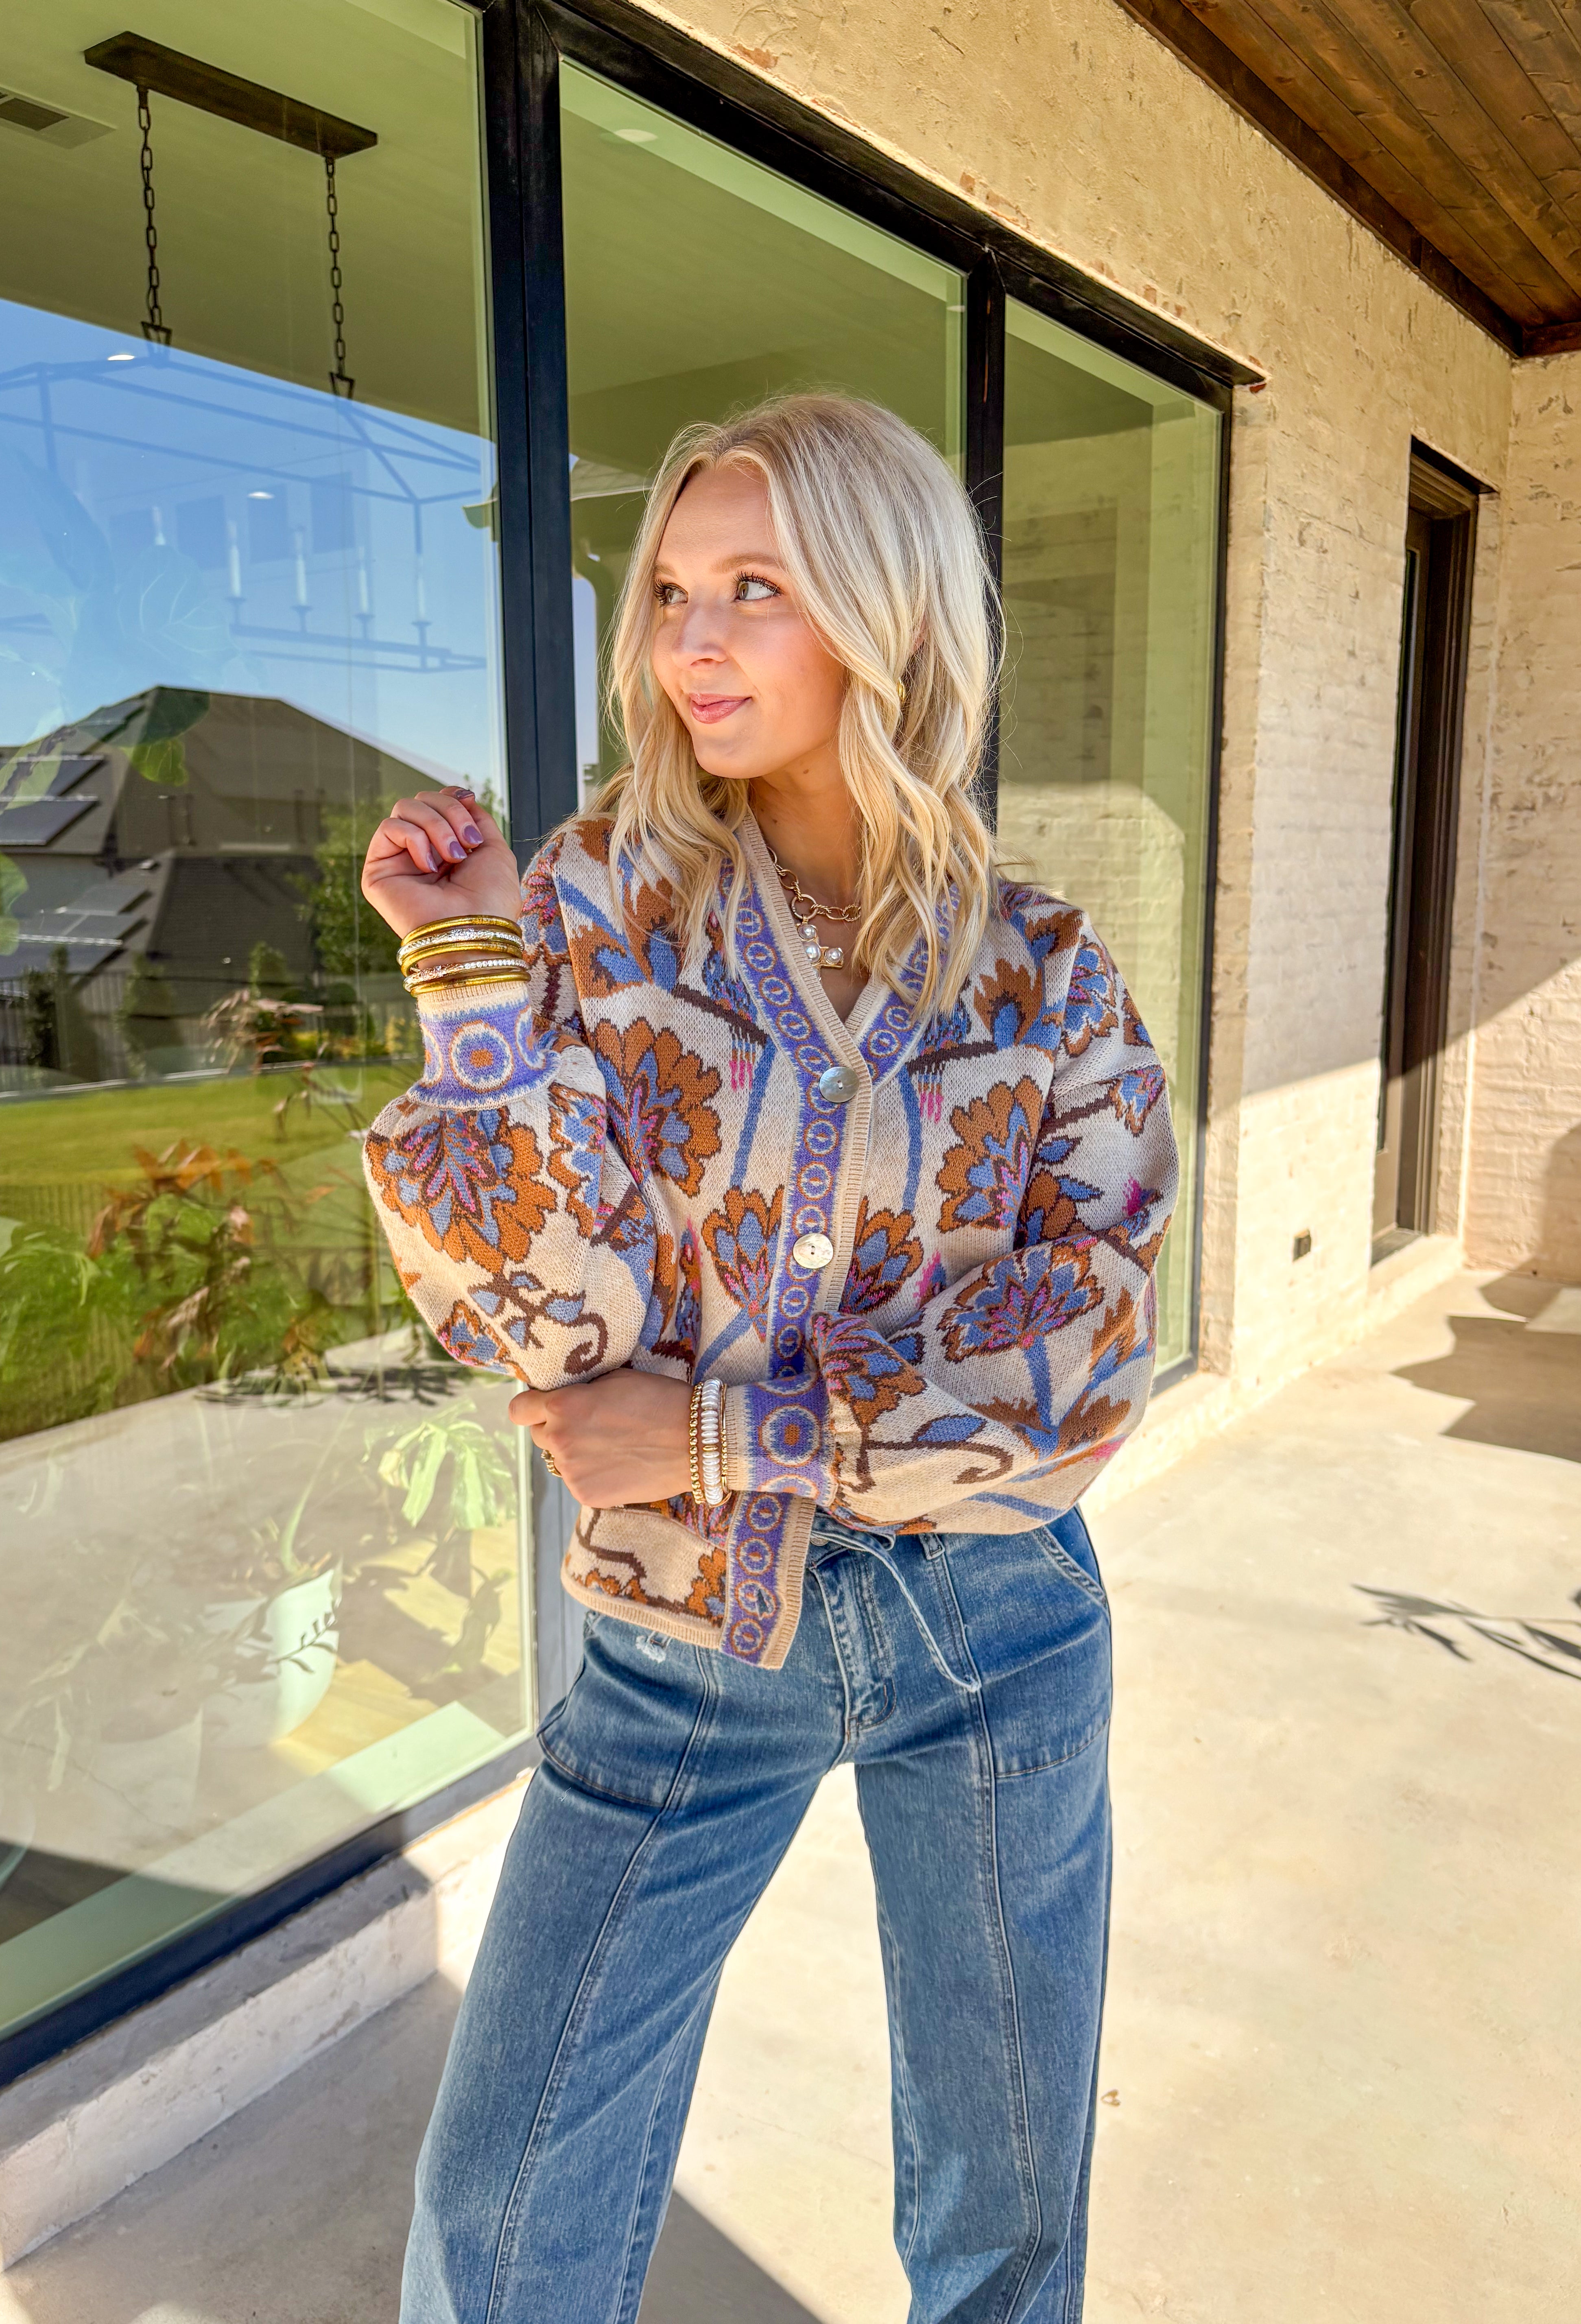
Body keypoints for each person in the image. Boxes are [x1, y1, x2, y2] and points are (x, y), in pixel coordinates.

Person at [359, 391, 1177, 2324]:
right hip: (677, 1651)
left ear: (884, 619)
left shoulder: (1042, 969)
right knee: (505, 2212)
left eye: (758, 591)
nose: (692, 643)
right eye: (667, 592)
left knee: (1007, 2212)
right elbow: (550, 1333)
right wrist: (475, 985)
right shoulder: (590, 907)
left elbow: (1086, 1357)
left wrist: (729, 1428)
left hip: (995, 1632)